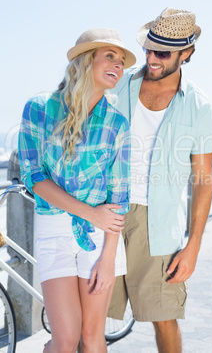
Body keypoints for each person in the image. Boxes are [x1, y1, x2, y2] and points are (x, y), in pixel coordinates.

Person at [18, 28, 136, 353]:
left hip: (100, 239)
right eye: (109, 56)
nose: (118, 65)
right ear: (86, 60)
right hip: (53, 231)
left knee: (92, 336)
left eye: (122, 60)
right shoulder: (39, 108)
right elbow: (34, 177)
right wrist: (88, 213)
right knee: (66, 338)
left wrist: (109, 258)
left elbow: (119, 196)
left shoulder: (117, 124)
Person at [108, 8, 212, 352]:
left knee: (164, 317)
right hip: (105, 213)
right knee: (90, 317)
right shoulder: (118, 85)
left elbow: (204, 179)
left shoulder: (199, 107)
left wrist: (194, 244)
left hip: (159, 224)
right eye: (148, 49)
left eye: (163, 53)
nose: (151, 59)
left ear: (186, 54)